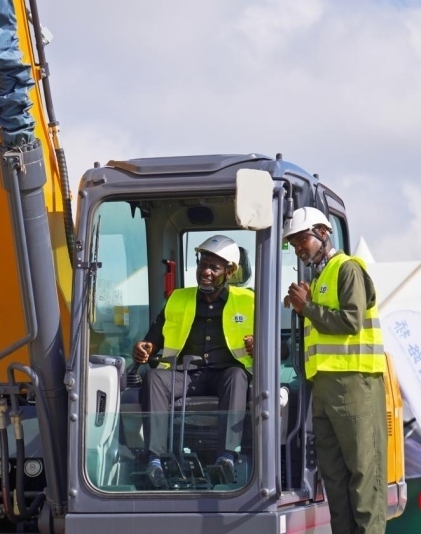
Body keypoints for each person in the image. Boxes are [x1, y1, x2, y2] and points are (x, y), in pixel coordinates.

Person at [282, 207, 387, 533]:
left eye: (302, 240)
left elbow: (351, 321)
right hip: (326, 387)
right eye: (294, 244)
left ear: (323, 233)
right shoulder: (320, 278)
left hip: (354, 382)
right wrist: (303, 308)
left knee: (363, 475)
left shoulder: (348, 269)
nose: (299, 249)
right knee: (335, 479)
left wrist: (307, 307)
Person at [133, 235, 255, 487]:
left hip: (225, 375)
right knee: (154, 377)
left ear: (229, 272)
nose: (205, 272)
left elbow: (279, 349)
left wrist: (259, 345)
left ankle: (226, 458)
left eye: (214, 268)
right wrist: (144, 348)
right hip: (185, 375)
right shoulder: (178, 299)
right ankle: (155, 460)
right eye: (203, 264)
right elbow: (152, 339)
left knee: (237, 375)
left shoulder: (249, 301)